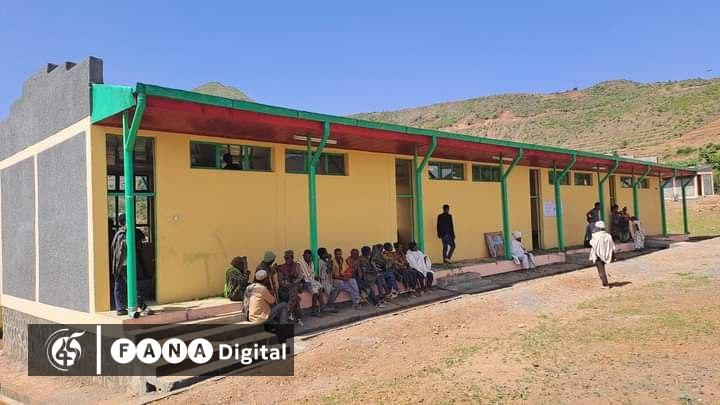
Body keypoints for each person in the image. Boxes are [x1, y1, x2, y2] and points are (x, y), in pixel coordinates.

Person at [110, 213, 151, 316]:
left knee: (119, 286)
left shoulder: (120, 234)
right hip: (124, 265)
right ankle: (143, 306)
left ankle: (120, 308)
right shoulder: (123, 235)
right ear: (125, 222)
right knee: (132, 286)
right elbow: (122, 250)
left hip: (119, 265)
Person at [277, 250, 304, 324]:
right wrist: (287, 284)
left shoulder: (297, 266)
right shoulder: (281, 268)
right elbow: (280, 281)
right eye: (285, 258)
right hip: (286, 287)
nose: (286, 260)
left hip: (295, 285)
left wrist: (294, 282)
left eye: (288, 258)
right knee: (295, 297)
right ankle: (295, 315)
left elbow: (300, 277)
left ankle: (288, 312)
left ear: (292, 258)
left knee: (294, 290)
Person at [297, 249, 325, 316]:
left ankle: (322, 306)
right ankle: (314, 311)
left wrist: (315, 278)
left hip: (311, 281)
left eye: (310, 257)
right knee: (315, 291)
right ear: (303, 256)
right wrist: (304, 282)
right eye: (307, 256)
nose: (309, 258)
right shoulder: (299, 263)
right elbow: (300, 276)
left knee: (320, 287)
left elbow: (312, 274)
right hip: (304, 282)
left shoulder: (311, 263)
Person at [589, 221, 616, 288]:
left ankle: (605, 284)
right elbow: (612, 246)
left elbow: (592, 243)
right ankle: (603, 281)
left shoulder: (595, 236)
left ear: (598, 228)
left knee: (601, 269)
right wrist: (613, 255)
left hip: (598, 255)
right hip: (606, 254)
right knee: (601, 268)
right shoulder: (608, 235)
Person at [317, 248, 339, 312]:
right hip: (323, 281)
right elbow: (328, 271)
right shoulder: (320, 262)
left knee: (338, 288)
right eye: (325, 253)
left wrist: (329, 261)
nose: (327, 254)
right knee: (335, 290)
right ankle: (329, 305)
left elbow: (330, 269)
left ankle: (329, 305)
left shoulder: (325, 261)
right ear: (322, 254)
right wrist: (329, 260)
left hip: (328, 280)